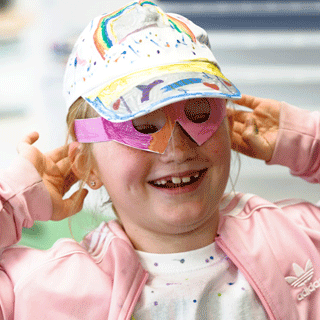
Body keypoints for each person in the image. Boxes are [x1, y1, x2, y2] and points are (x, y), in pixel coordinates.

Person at [0, 1, 320, 319]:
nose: (177, 150)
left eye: (198, 114)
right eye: (142, 125)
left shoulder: (302, 237)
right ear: (87, 166)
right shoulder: (45, 288)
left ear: (229, 126)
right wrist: (14, 200)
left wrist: (309, 143)